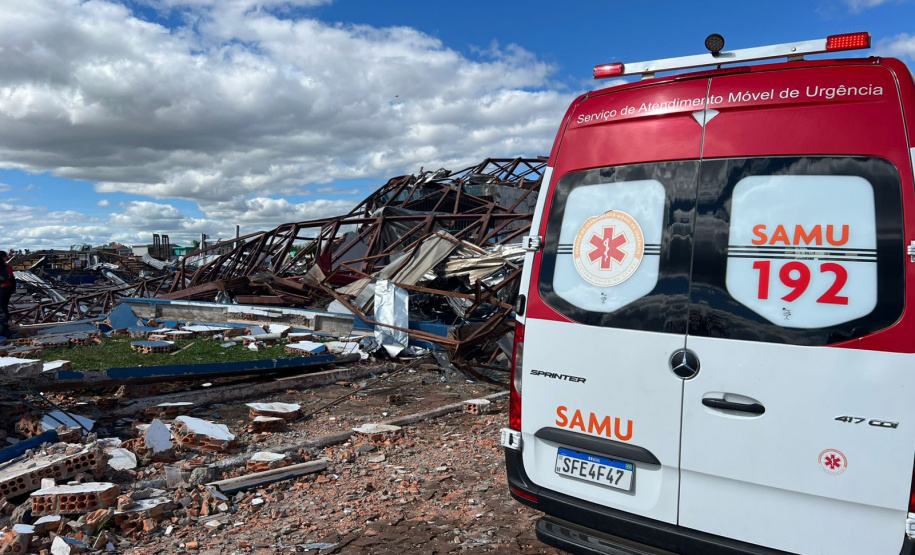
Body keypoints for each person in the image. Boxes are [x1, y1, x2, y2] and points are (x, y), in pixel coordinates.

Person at [0, 251, 15, 337]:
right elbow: (10, 278)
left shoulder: (5, 266)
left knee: (2, 309)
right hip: (5, 288)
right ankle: (4, 331)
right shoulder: (6, 266)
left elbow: (9, 278)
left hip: (4, 288)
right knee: (3, 309)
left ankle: (4, 331)